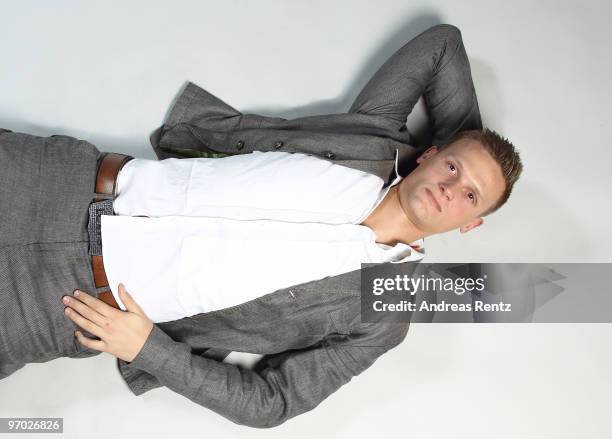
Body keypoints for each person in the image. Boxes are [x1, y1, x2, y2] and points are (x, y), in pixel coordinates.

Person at [0, 24, 522, 428]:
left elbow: (274, 404)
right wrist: (465, 153)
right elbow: (441, 45)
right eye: (450, 167)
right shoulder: (372, 138)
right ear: (431, 153)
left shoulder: (383, 313)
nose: (449, 188)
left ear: (471, 224)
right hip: (58, 180)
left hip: (62, 303)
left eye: (469, 196)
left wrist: (147, 350)